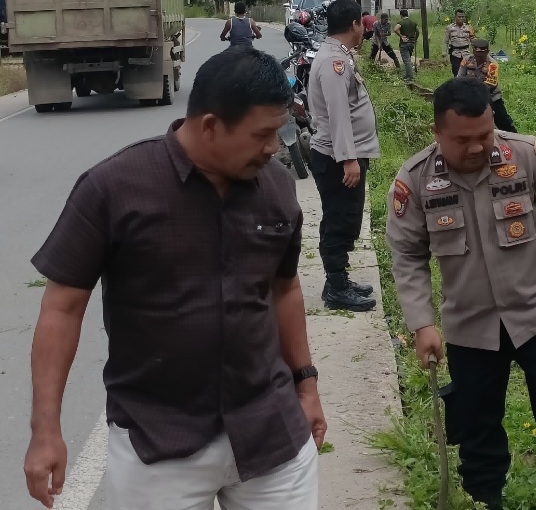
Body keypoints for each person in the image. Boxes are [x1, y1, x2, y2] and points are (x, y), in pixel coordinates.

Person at [24, 47, 325, 510]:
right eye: (261, 135)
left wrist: (306, 386)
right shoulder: (114, 189)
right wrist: (46, 430)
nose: (273, 148)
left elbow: (284, 288)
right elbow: (62, 309)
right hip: (159, 443)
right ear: (209, 126)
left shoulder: (277, 189)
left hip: (270, 432)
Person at [385, 78, 536, 510]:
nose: (476, 148)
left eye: (484, 135)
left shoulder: (526, 156)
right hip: (471, 326)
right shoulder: (415, 181)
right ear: (437, 134)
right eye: (462, 140)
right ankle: (488, 497)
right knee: (476, 422)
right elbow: (408, 256)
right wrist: (421, 323)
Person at [307, 0, 380, 313]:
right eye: (362, 25)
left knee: (343, 218)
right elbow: (338, 114)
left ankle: (339, 279)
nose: (364, 31)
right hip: (338, 159)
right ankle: (336, 287)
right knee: (341, 219)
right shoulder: (334, 63)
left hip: (340, 155)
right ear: (354, 25)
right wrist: (349, 159)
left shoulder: (337, 56)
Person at [457, 38, 516, 133]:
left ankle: (515, 139)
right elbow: (459, 78)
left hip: (491, 97)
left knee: (504, 122)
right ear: (473, 51)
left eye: (481, 55)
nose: (479, 57)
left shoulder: (493, 64)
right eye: (477, 54)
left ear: (487, 52)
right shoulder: (466, 60)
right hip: (469, 96)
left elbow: (489, 85)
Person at [444, 9, 475, 77]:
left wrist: (475, 53)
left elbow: (473, 41)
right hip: (455, 54)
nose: (461, 18)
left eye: (462, 17)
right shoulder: (450, 28)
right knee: (456, 73)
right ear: (455, 17)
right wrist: (444, 54)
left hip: (466, 53)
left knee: (467, 72)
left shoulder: (469, 28)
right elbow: (445, 41)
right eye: (459, 17)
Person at [393, 8, 420, 82]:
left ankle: (409, 76)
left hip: (404, 44)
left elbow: (395, 29)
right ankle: (408, 74)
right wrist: (415, 39)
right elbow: (417, 31)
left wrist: (401, 36)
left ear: (401, 15)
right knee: (408, 58)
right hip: (412, 43)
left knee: (406, 60)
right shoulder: (413, 22)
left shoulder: (401, 22)